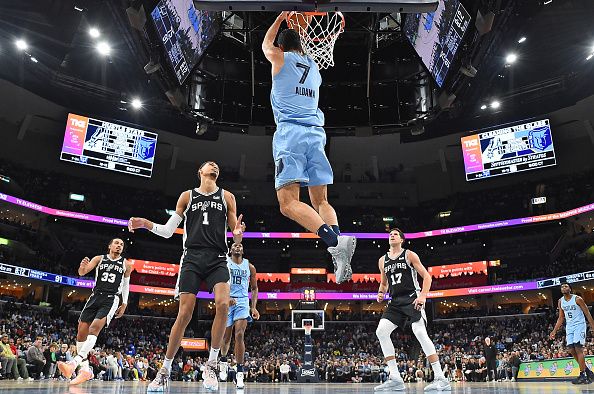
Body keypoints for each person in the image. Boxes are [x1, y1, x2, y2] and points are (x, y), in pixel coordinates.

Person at [127, 161, 245, 392]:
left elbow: (236, 235)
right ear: (200, 172)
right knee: (184, 314)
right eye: (210, 164)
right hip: (191, 257)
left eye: (217, 166)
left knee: (222, 305)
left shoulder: (227, 197)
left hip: (218, 258)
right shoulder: (187, 196)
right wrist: (145, 224)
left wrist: (239, 235)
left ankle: (211, 365)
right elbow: (168, 231)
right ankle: (164, 371)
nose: (215, 166)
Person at [262, 12, 356, 284]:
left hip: (291, 134)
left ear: (282, 47)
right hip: (316, 135)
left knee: (288, 203)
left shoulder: (279, 58)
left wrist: (280, 17)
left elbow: (266, 44)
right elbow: (293, 46)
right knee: (321, 201)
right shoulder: (313, 65)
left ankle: (333, 240)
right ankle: (339, 250)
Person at [374, 228, 451, 391]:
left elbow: (427, 276)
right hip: (395, 301)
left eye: (395, 234)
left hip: (412, 297)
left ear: (401, 239)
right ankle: (395, 377)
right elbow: (384, 283)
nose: (392, 235)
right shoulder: (382, 261)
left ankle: (440, 377)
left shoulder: (409, 255)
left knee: (420, 331)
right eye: (390, 234)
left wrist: (423, 296)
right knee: (381, 331)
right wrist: (381, 293)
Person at [57, 238, 133, 385]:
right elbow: (82, 273)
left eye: (122, 244)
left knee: (94, 329)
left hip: (111, 299)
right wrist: (82, 267)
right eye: (116, 243)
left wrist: (124, 303)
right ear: (110, 246)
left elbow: (126, 286)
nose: (119, 246)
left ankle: (73, 364)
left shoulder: (126, 264)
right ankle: (85, 370)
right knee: (81, 333)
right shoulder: (99, 259)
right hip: (95, 296)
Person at [219, 242, 259, 389]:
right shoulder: (225, 263)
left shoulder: (250, 267)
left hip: (242, 302)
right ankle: (223, 360)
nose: (238, 247)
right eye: (235, 245)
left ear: (243, 250)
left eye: (240, 245)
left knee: (240, 335)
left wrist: (253, 307)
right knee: (226, 337)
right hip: (227, 301)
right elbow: (219, 282)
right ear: (230, 249)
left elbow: (254, 288)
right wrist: (224, 296)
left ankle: (239, 373)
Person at [550, 282, 594, 384]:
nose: (563, 288)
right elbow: (561, 318)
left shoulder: (577, 299)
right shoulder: (560, 301)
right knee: (571, 349)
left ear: (570, 289)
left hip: (579, 325)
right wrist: (554, 330)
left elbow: (587, 313)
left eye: (566, 286)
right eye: (562, 287)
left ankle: (582, 375)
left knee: (578, 348)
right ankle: (588, 372)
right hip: (569, 327)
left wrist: (593, 327)